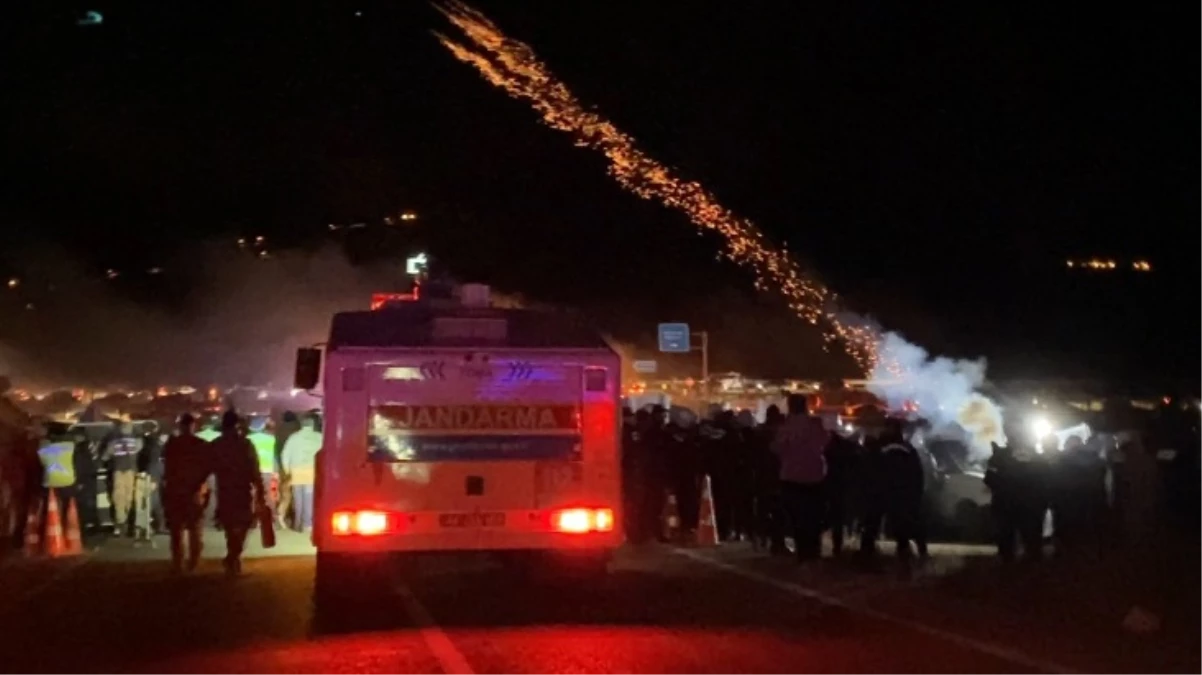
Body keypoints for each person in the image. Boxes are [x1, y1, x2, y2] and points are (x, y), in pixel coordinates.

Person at [771, 394, 828, 562]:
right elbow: (825, 442)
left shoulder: (786, 427)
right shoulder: (815, 424)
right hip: (815, 476)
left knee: (796, 518)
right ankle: (814, 551)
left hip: (792, 477)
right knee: (814, 517)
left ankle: (802, 553)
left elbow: (776, 448)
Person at [210, 411, 266, 575]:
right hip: (242, 490)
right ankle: (233, 556)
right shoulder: (246, 444)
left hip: (225, 490)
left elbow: (208, 467)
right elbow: (255, 470)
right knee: (243, 524)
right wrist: (260, 491)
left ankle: (232, 556)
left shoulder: (216, 444)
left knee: (230, 525)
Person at [162, 414, 211, 573]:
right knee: (195, 529)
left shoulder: (172, 445)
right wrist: (201, 487)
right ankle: (194, 562)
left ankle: (178, 562)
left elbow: (168, 468)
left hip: (176, 491)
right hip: (194, 491)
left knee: (176, 530)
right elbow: (207, 469)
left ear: (181, 426)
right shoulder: (201, 444)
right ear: (193, 426)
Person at [280, 412, 321, 532]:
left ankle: (298, 523)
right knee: (309, 499)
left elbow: (285, 455)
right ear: (313, 425)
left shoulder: (293, 438)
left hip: (296, 472)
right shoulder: (319, 437)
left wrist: (288, 470)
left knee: (298, 499)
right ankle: (307, 524)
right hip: (311, 472)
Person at [103, 422, 143, 536]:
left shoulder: (113, 442)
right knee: (130, 497)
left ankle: (120, 522)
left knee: (118, 497)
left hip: (118, 470)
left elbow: (105, 456)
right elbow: (140, 448)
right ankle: (130, 522)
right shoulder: (137, 441)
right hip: (131, 470)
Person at [246, 417, 278, 522]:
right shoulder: (271, 439)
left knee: (253, 494)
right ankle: (272, 516)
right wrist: (276, 471)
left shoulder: (248, 439)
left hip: (252, 471)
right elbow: (273, 456)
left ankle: (253, 518)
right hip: (267, 470)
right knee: (268, 494)